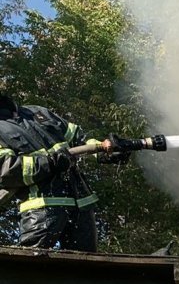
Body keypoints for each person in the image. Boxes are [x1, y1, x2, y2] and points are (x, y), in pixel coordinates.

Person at [0, 94, 125, 252]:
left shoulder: (38, 113)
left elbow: (80, 140)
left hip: (82, 205)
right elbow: (7, 171)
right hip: (41, 210)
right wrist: (50, 163)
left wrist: (105, 151)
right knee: (32, 270)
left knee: (86, 268)